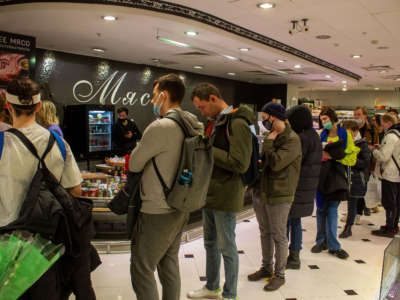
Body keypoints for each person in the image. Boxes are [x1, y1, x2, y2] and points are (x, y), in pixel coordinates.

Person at [0, 77, 98, 299]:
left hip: (6, 244)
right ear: (37, 106)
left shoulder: (1, 144)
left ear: (8, 106)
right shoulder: (58, 143)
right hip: (47, 246)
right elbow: (75, 191)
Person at [128, 74, 204, 300]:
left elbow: (134, 163)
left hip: (157, 209)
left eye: (154, 96)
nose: (152, 102)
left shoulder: (160, 127)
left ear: (164, 95)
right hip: (181, 204)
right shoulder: (193, 124)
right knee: (168, 264)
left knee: (141, 268)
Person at [187, 83, 253, 300]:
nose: (202, 112)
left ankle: (230, 294)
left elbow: (240, 163)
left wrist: (207, 149)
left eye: (203, 107)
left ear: (214, 99)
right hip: (210, 192)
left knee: (227, 247)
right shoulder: (216, 121)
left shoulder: (238, 122)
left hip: (226, 194)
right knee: (210, 243)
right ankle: (212, 286)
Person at [246, 102, 301, 291]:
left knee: (279, 235)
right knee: (265, 232)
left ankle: (280, 274)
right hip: (263, 191)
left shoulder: (292, 139)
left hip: (280, 194)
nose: (265, 123)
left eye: (267, 119)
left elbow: (276, 163)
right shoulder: (274, 137)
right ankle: (266, 267)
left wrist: (270, 140)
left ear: (276, 118)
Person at [312, 107, 358, 259]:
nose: (324, 122)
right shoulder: (320, 135)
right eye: (322, 120)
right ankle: (320, 240)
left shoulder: (345, 135)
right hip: (321, 177)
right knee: (320, 209)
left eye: (326, 119)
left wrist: (333, 157)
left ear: (333, 119)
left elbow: (352, 159)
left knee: (332, 210)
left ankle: (333, 245)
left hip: (337, 178)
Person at [285, 105, 322, 269]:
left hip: (297, 185)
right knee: (295, 221)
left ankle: (290, 256)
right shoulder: (313, 135)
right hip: (307, 185)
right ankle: (294, 254)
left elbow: (294, 161)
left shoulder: (301, 138)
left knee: (288, 221)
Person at [339, 120, 371, 238]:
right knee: (348, 202)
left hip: (357, 178)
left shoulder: (362, 144)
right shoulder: (345, 142)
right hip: (345, 176)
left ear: (354, 131)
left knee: (352, 203)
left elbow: (365, 162)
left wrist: (352, 160)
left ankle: (348, 227)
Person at [371, 113, 400, 238]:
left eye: (382, 122)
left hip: (390, 174)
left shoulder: (390, 136)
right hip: (397, 173)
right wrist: (381, 147)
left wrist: (373, 150)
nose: (381, 124)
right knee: (396, 201)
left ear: (388, 123)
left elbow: (384, 157)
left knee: (389, 202)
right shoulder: (398, 134)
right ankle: (393, 226)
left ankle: (389, 228)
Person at [354, 106, 379, 216]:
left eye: (359, 114)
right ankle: (356, 212)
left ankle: (363, 208)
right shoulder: (352, 128)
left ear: (364, 115)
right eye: (355, 114)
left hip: (367, 163)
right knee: (355, 187)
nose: (356, 117)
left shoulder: (372, 129)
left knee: (364, 186)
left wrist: (373, 167)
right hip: (354, 162)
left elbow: (375, 148)